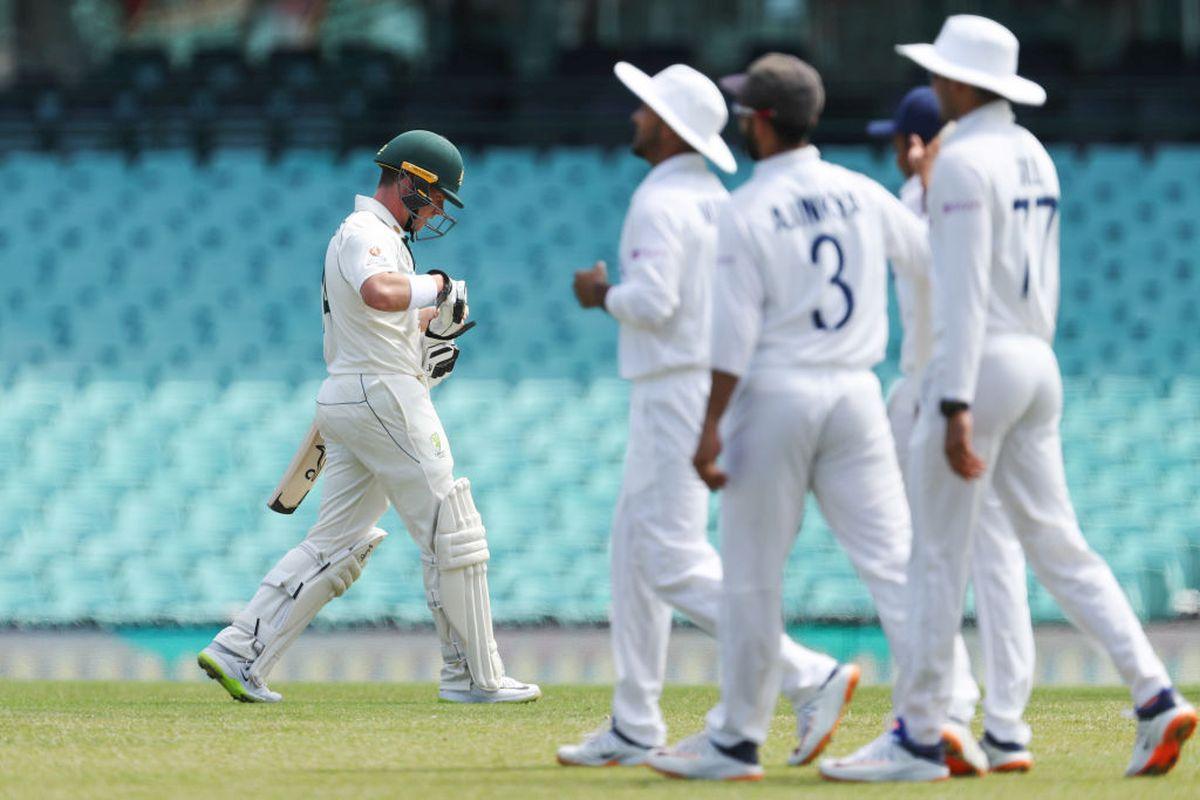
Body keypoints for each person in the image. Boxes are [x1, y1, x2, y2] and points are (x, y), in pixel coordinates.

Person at [820, 15, 1195, 782]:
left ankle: (921, 735)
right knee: (1059, 548)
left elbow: (958, 294)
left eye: (937, 74)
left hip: (979, 366)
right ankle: (1155, 693)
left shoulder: (962, 161)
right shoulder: (1032, 153)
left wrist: (953, 403)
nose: (931, 87)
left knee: (935, 557)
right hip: (1035, 360)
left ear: (959, 83)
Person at [644, 53, 978, 782]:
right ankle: (944, 714)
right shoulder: (859, 190)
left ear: (760, 122)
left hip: (777, 394)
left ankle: (736, 739)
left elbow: (732, 339)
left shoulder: (746, 209)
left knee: (753, 577)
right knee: (895, 564)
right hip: (856, 391)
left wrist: (708, 428)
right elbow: (929, 261)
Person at [559, 60, 855, 770]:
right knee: (633, 552)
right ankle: (634, 720)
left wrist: (603, 294)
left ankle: (803, 672)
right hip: (694, 381)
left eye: (646, 110)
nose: (635, 118)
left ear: (667, 128)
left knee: (667, 558)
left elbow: (654, 301)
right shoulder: (715, 198)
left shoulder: (660, 200)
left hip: (674, 388)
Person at [197, 130, 541, 705]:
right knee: (451, 530)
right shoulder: (366, 232)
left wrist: (430, 333)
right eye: (433, 199)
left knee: (337, 542)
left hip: (359, 394)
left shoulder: (376, 238)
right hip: (381, 395)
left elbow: (381, 316)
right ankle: (474, 677)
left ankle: (240, 650)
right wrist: (436, 283)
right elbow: (380, 292)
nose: (435, 214)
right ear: (407, 181)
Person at [869, 86, 1036, 774]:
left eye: (904, 141)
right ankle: (1006, 720)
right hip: (993, 376)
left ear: (922, 142)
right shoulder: (994, 184)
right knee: (996, 555)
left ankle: (943, 708)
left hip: (939, 387)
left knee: (930, 553)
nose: (897, 153)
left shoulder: (929, 197)